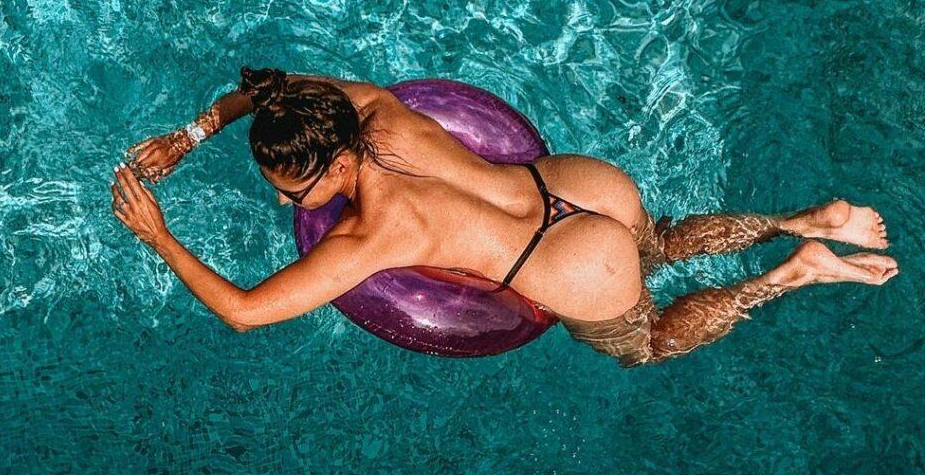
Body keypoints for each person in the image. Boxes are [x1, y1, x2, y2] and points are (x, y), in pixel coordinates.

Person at [110, 67, 897, 366]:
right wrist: (194, 133)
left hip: (566, 266)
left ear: (339, 166)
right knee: (653, 240)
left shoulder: (370, 235)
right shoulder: (373, 108)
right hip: (579, 186)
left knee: (649, 341)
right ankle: (798, 217)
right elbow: (272, 85)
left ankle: (795, 270)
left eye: (294, 189)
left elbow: (245, 312)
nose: (286, 202)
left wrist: (160, 235)